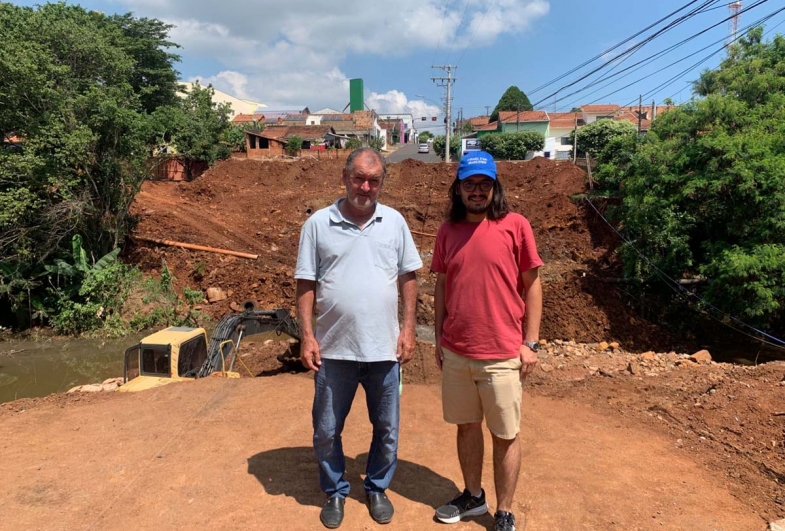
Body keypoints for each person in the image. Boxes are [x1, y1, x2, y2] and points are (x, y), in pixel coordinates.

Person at [294, 147, 422, 529]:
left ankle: (377, 485)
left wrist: (409, 328)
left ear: (382, 182)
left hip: (384, 349)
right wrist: (306, 336)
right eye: (359, 178)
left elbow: (408, 277)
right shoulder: (318, 224)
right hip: (334, 349)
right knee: (327, 428)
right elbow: (306, 282)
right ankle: (335, 491)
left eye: (374, 180)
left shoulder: (395, 222)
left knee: (387, 428)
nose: (366, 187)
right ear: (344, 176)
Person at [431, 151, 543, 531]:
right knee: (466, 426)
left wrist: (532, 342)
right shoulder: (447, 231)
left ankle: (505, 510)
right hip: (458, 352)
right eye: (469, 184)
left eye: (484, 184)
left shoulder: (516, 225)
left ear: (495, 188)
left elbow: (533, 285)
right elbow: (442, 285)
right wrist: (438, 338)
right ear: (458, 189)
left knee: (505, 435)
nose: (477, 191)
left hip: (503, 354)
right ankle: (474, 496)